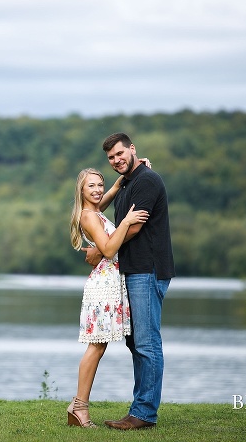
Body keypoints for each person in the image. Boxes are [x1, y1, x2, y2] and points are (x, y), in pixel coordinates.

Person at [85, 132, 175, 430]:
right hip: (132, 270)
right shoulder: (128, 183)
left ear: (132, 149)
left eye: (120, 154)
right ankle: (140, 409)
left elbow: (134, 228)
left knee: (147, 343)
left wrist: (101, 249)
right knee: (136, 342)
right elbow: (97, 210)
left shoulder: (147, 181)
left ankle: (144, 413)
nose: (116, 160)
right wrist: (117, 183)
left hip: (148, 269)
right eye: (111, 157)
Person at [67, 167, 150, 428]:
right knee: (96, 346)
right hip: (103, 286)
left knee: (98, 346)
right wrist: (126, 222)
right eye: (91, 186)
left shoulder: (95, 210)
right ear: (81, 190)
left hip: (109, 282)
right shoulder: (88, 216)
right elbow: (109, 249)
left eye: (99, 185)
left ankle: (77, 406)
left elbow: (107, 195)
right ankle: (79, 407)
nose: (97, 190)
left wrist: (127, 176)